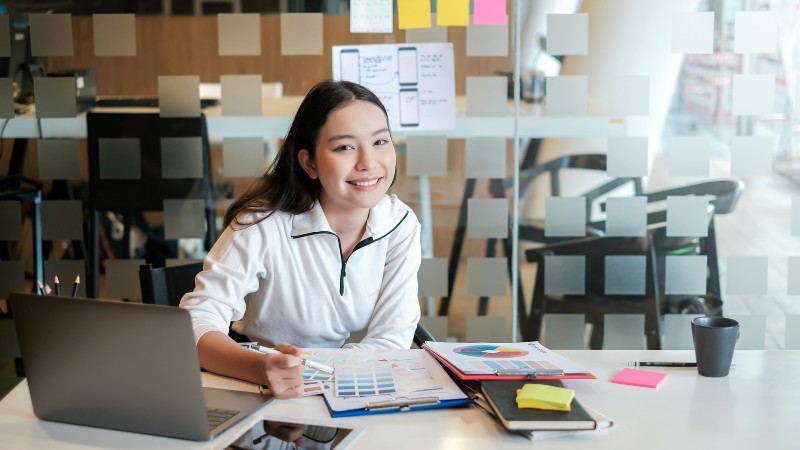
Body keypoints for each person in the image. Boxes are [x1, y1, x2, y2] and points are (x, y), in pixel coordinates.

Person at [179, 80, 422, 399]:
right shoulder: (261, 222)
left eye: (380, 141)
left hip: (336, 389)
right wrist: (259, 367)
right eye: (345, 147)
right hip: (252, 388)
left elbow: (391, 338)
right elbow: (197, 321)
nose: (368, 163)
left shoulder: (399, 224)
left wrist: (318, 372)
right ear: (309, 162)